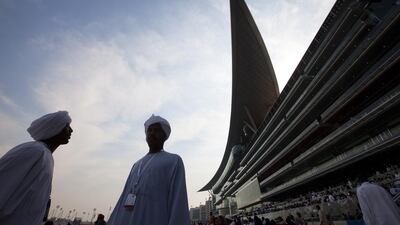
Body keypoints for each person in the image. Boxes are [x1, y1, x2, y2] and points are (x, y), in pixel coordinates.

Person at [108, 114, 190, 225]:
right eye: (149, 130)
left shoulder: (173, 161)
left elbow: (178, 202)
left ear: (164, 135)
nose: (152, 133)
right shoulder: (136, 165)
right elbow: (123, 198)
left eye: (156, 130)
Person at [0, 111, 73, 225]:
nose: (71, 130)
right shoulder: (33, 151)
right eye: (67, 127)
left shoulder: (46, 156)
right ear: (55, 128)